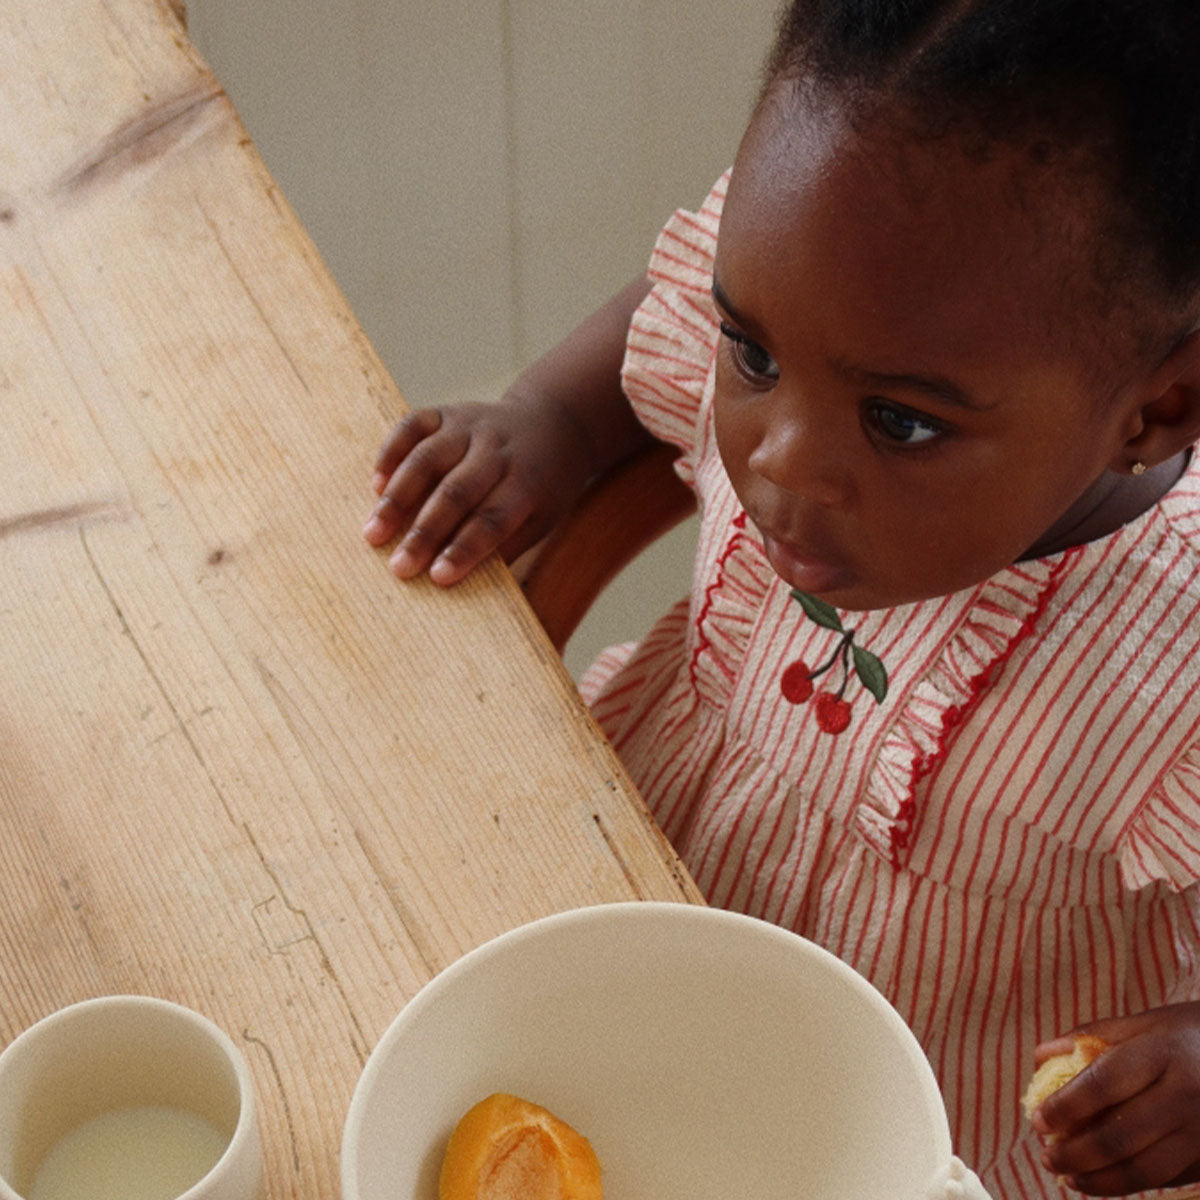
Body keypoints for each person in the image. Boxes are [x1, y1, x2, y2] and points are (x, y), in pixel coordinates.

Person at [362, 2, 1200, 1194]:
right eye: (751, 352)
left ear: (1158, 410)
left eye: (902, 421)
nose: (777, 461)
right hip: (617, 898)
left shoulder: (1178, 667)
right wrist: (554, 415)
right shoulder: (842, 308)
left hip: (912, 1120)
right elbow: (664, 324)